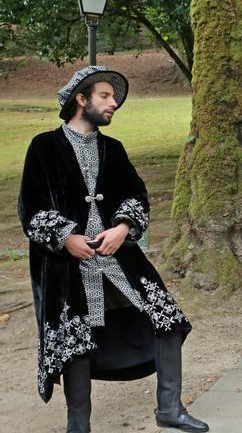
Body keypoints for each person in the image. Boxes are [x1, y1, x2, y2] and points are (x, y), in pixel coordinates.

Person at [18, 66, 208, 432]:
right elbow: (31, 207)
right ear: (81, 99)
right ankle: (79, 426)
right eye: (105, 96)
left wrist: (123, 227)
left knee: (166, 318)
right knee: (77, 339)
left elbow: (136, 193)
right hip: (66, 264)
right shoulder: (44, 146)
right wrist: (66, 238)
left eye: (114, 97)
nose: (114, 103)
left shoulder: (113, 149)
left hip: (118, 256)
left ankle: (169, 409)